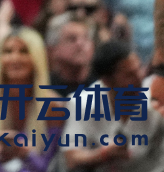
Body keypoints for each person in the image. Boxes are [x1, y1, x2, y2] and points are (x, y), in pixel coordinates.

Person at [62, 41, 164, 172]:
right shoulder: (81, 104)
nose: (139, 79)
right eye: (129, 75)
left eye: (139, 69)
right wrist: (103, 154)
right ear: (107, 81)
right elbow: (72, 158)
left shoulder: (154, 105)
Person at [0, 28, 63, 172]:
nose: (14, 58)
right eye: (8, 51)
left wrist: (25, 153)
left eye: (24, 51)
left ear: (37, 58)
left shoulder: (53, 106)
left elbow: (48, 167)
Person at [45, 12, 96, 95]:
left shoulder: (105, 83)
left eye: (86, 38)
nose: (80, 44)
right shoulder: (44, 88)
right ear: (53, 49)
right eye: (72, 39)